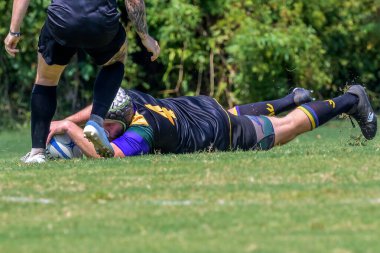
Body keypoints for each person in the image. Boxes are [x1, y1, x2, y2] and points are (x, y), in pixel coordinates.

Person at [4, 0, 160, 163]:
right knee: (116, 62)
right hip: (101, 23)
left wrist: (14, 31)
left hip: (62, 22)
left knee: (46, 80)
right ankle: (96, 121)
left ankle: (37, 152)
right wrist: (144, 36)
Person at [46, 84, 377, 159]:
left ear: (124, 121)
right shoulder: (132, 103)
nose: (102, 130)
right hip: (203, 108)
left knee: (286, 129)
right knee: (235, 115)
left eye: (106, 127)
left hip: (218, 130)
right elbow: (104, 103)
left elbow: (111, 157)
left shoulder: (142, 131)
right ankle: (287, 99)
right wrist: (66, 118)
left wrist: (69, 129)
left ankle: (353, 99)